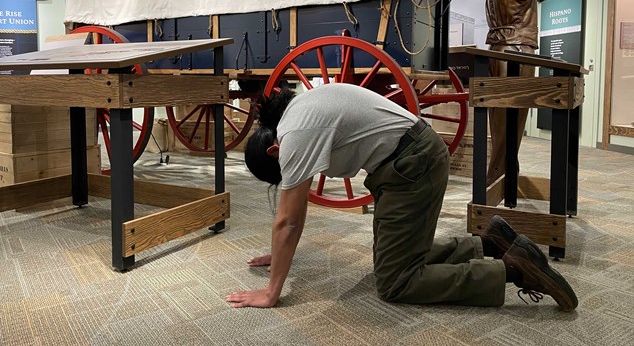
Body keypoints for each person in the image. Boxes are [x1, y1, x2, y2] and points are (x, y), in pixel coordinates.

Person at [226, 83, 577, 311]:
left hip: (411, 167)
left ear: (275, 151)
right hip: (412, 160)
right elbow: (290, 220)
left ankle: (512, 269)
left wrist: (271, 292)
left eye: (281, 175)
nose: (287, 178)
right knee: (399, 258)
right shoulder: (302, 108)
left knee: (396, 281)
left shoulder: (294, 135)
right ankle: (490, 243)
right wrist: (278, 251)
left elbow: (289, 220)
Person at [485, 0, 570, 185]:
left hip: (502, 48)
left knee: (502, 122)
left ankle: (503, 172)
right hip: (517, 52)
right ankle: (499, 176)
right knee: (513, 120)